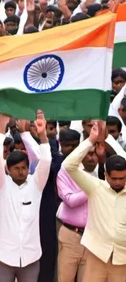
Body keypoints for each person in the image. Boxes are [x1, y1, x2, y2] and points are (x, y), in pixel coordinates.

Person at [0, 110, 52, 282]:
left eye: (24, 167)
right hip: (4, 257)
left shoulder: (36, 184)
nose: (21, 171)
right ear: (7, 170)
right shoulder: (2, 185)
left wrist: (43, 135)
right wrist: (2, 124)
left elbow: (45, 161)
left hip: (31, 256)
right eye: (16, 168)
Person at [63, 120, 126, 282]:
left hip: (122, 260)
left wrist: (108, 140)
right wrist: (91, 139)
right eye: (114, 178)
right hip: (97, 256)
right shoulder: (96, 187)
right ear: (106, 175)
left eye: (123, 178)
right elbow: (68, 165)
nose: (118, 182)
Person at [56, 138, 100, 282]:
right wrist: (91, 189)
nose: (92, 157)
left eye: (94, 154)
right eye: (88, 154)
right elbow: (70, 201)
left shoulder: (102, 174)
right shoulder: (65, 173)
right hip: (71, 235)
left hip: (92, 237)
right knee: (65, 279)